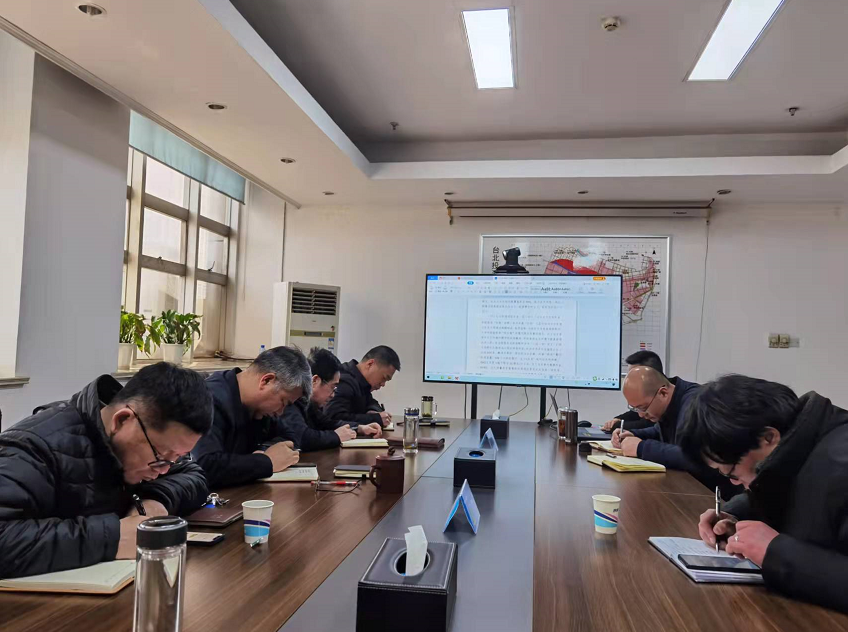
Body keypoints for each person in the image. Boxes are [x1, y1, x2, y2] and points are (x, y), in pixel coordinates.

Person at [0, 363, 212, 579]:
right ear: (122, 420)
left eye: (176, 457)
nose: (165, 469)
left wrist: (156, 499)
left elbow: (193, 475)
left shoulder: (152, 444)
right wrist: (113, 538)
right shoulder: (33, 447)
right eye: (160, 456)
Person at [678, 375, 848, 613]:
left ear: (768, 438)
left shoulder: (841, 464)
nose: (735, 482)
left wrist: (775, 552)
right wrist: (732, 514)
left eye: (731, 472)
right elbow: (787, 485)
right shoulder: (801, 446)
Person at [611, 366, 738, 497]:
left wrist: (641, 448)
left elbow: (697, 456)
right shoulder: (672, 402)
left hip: (711, 494)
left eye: (643, 408)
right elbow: (658, 431)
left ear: (663, 393)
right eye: (635, 409)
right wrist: (633, 434)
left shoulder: (695, 405)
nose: (641, 415)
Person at [193, 346, 310, 489]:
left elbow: (291, 436)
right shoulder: (209, 399)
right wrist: (266, 461)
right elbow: (205, 466)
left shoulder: (259, 408)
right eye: (283, 402)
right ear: (266, 381)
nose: (280, 412)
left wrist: (266, 451)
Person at [279, 348, 383, 451]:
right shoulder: (292, 400)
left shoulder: (309, 403)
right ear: (315, 381)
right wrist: (336, 436)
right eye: (333, 387)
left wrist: (359, 428)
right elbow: (303, 438)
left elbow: (327, 423)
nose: (333, 395)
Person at [325, 345, 400, 428]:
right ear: (370, 364)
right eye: (384, 378)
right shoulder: (344, 381)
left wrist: (374, 411)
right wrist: (375, 419)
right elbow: (335, 418)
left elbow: (371, 403)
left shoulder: (362, 383)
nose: (383, 384)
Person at [601, 350, 664, 432]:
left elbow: (649, 424)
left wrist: (618, 425)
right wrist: (619, 419)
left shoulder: (662, 394)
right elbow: (636, 413)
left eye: (633, 375)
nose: (630, 378)